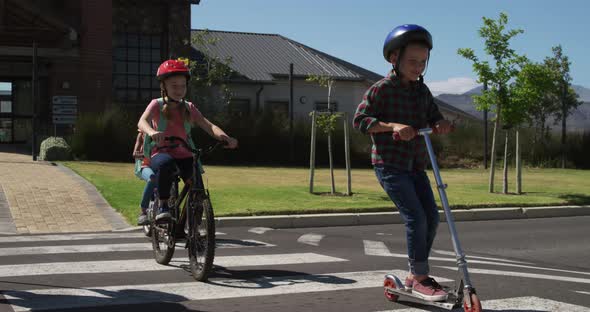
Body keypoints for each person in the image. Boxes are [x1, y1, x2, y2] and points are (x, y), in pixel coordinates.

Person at [353, 24, 452, 302]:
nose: (418, 67)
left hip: (416, 165)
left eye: (423, 62)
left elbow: (434, 116)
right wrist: (393, 125)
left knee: (431, 217)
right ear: (394, 58)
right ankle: (421, 278)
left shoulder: (422, 92)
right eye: (412, 61)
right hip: (390, 165)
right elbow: (360, 121)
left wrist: (441, 124)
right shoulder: (381, 89)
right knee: (416, 217)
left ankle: (413, 274)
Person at [138, 59, 238, 222]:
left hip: (184, 154)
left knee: (196, 185)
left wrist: (225, 137)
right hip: (161, 152)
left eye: (183, 86)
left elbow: (208, 125)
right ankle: (163, 206)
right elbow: (142, 121)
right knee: (165, 164)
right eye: (174, 85)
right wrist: (152, 131)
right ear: (164, 86)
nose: (179, 90)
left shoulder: (189, 107)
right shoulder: (156, 104)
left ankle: (192, 225)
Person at [132, 130, 155, 225]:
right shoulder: (142, 134)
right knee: (152, 178)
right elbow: (135, 154)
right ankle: (143, 211)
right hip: (145, 166)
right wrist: (146, 155)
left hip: (159, 165)